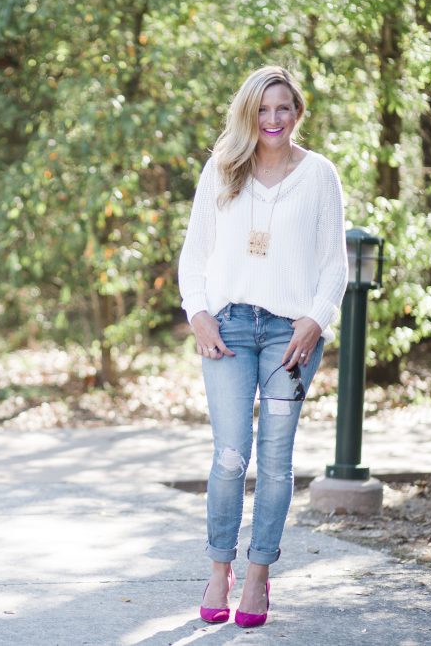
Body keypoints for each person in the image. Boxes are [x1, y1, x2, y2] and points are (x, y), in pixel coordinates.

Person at [177, 66, 348, 628]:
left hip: (289, 338)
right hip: (226, 330)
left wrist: (315, 322)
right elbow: (193, 255)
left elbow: (334, 266)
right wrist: (198, 313)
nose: (272, 119)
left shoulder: (320, 175)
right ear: (248, 112)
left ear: (298, 112)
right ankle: (218, 568)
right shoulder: (222, 169)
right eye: (262, 109)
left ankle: (257, 576)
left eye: (283, 108)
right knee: (230, 457)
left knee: (275, 462)